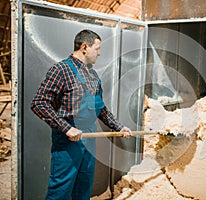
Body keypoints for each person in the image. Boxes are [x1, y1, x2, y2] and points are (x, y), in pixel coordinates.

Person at [31, 29, 131, 200]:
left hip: (89, 137)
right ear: (85, 47)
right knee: (60, 190)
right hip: (68, 140)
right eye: (97, 49)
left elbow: (100, 108)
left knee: (84, 187)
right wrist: (66, 128)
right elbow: (39, 103)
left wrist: (119, 126)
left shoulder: (92, 75)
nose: (99, 53)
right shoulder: (60, 70)